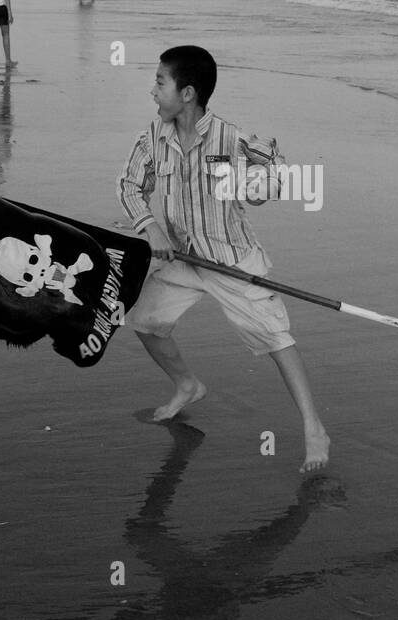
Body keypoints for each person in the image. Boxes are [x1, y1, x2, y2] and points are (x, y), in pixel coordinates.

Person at [117, 45, 330, 470]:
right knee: (144, 322)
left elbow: (274, 168)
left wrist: (259, 185)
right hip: (183, 258)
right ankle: (187, 385)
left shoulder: (229, 138)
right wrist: (150, 227)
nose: (152, 91)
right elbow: (128, 185)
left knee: (276, 340)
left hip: (233, 261)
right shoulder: (153, 138)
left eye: (160, 82)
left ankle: (313, 428)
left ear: (189, 93)